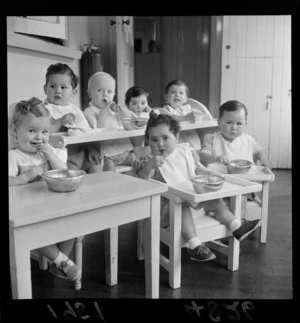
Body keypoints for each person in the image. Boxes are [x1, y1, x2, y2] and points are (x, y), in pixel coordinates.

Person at [133, 112, 261, 262]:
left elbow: (196, 170)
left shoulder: (184, 153)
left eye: (165, 138)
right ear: (148, 142)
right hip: (168, 208)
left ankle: (236, 226)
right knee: (182, 209)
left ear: (177, 138)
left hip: (194, 198)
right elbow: (142, 181)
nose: (160, 144)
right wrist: (149, 167)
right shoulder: (150, 161)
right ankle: (194, 246)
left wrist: (208, 173)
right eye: (154, 140)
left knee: (216, 202)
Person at [8, 97, 81, 281]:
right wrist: (24, 178)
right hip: (26, 211)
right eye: (32, 131)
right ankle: (62, 261)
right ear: (16, 132)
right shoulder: (14, 156)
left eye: (44, 132)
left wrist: (50, 154)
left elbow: (63, 171)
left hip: (50, 205)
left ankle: (58, 264)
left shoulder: (45, 152)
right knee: (35, 234)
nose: (39, 137)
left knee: (74, 221)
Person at [43, 62, 102, 173]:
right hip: (64, 158)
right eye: (52, 86)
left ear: (74, 92)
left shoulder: (75, 111)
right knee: (74, 176)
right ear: (45, 89)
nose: (58, 91)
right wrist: (59, 122)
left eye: (63, 87)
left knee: (97, 168)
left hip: (83, 153)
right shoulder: (44, 110)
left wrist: (92, 150)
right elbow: (43, 132)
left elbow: (86, 133)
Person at [83, 71, 134, 171]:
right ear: (90, 93)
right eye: (99, 90)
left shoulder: (114, 110)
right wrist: (103, 111)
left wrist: (121, 112)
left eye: (109, 91)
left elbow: (129, 119)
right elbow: (97, 127)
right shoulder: (89, 112)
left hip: (123, 150)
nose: (105, 95)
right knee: (109, 170)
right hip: (106, 155)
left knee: (139, 162)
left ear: (114, 94)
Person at [199, 100, 272, 168]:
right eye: (229, 122)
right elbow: (203, 157)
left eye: (239, 123)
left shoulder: (249, 140)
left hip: (247, 178)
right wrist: (216, 158)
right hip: (222, 177)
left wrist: (264, 160)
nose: (234, 127)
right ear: (219, 123)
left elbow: (259, 151)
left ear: (245, 124)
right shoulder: (212, 139)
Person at [159, 80, 202, 152]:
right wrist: (184, 118)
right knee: (182, 155)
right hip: (178, 140)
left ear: (185, 98)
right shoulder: (167, 109)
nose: (177, 95)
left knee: (196, 153)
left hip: (191, 136)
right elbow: (170, 118)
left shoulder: (188, 108)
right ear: (166, 97)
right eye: (173, 92)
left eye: (181, 93)